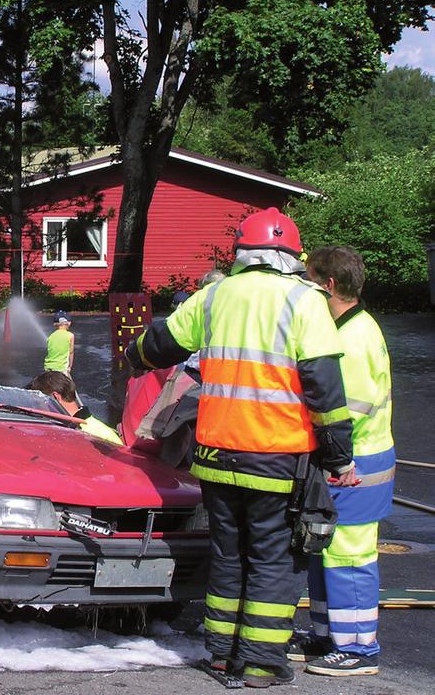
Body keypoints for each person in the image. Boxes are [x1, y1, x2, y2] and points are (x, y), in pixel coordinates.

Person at [126, 207, 355, 688]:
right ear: (293, 254)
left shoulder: (214, 296)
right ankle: (259, 663)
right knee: (272, 560)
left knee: (227, 556)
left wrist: (133, 354)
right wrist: (338, 457)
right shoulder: (305, 300)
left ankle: (220, 656)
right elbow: (324, 390)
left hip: (214, 456)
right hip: (275, 455)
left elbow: (160, 344)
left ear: (241, 252)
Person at [289, 246, 394, 677]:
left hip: (355, 466)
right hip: (347, 463)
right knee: (325, 551)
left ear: (327, 285)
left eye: (308, 282)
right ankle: (328, 635)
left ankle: (358, 647)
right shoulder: (350, 329)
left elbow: (344, 412)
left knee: (350, 556)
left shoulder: (352, 339)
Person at [27, 371, 122, 444]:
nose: (36, 409)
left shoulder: (90, 436)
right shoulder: (84, 427)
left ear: (55, 397)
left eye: (37, 403)